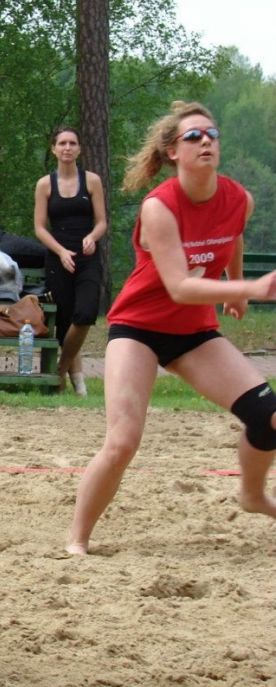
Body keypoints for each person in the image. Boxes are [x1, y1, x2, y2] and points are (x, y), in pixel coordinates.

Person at [65, 100, 276, 556]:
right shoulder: (160, 207)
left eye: (212, 135)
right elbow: (178, 286)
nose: (206, 142)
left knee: (269, 417)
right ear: (173, 152)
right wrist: (251, 286)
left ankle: (254, 496)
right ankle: (78, 539)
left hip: (194, 333)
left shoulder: (239, 197)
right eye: (194, 136)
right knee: (123, 440)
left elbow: (233, 233)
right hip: (137, 327)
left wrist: (233, 287)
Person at [34, 126, 107, 395]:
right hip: (58, 258)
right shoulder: (44, 184)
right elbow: (40, 228)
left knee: (85, 313)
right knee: (64, 321)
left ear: (79, 149)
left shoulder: (92, 181)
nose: (67, 148)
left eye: (72, 143)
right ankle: (78, 384)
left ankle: (60, 373)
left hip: (87, 257)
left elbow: (101, 222)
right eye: (62, 143)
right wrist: (61, 252)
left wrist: (92, 237)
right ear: (54, 148)